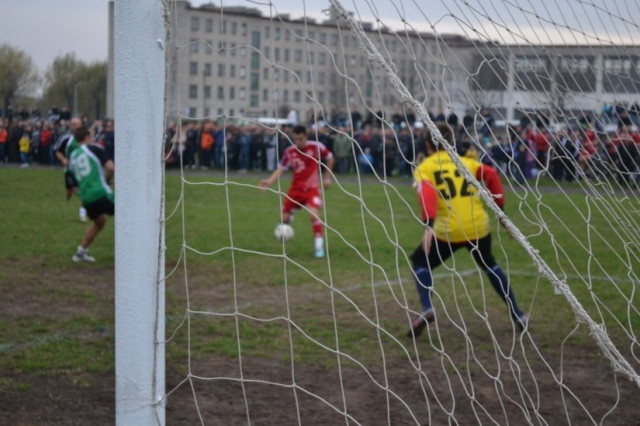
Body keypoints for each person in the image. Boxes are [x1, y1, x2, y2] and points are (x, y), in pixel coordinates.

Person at [407, 122, 528, 338]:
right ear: (452, 141)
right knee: (490, 265)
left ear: (427, 144)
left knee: (420, 262)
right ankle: (517, 314)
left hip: (448, 231)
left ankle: (427, 308)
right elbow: (492, 175)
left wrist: (428, 225)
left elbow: (427, 192)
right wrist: (500, 212)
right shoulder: (466, 162)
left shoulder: (425, 167)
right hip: (478, 226)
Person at [258, 125, 334, 258]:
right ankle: (288, 219)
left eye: (300, 139)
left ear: (306, 136)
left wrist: (327, 177)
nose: (297, 142)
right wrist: (269, 181)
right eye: (295, 139)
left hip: (312, 189)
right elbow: (281, 168)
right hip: (295, 189)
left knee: (313, 215)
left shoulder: (316, 146)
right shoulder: (290, 151)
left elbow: (330, 157)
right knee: (283, 219)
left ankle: (319, 247)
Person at [67, 125, 115, 263]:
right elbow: (111, 168)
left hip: (86, 198)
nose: (93, 138)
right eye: (92, 136)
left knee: (100, 222)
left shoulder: (73, 156)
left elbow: (71, 179)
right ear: (86, 137)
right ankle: (136, 251)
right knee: (129, 212)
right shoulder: (94, 149)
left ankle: (80, 252)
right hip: (100, 193)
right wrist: (108, 179)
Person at [53, 117, 87, 222]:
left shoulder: (87, 139)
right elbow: (57, 151)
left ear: (81, 125)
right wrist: (63, 159)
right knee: (70, 190)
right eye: (73, 124)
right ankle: (68, 195)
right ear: (70, 126)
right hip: (70, 170)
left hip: (84, 170)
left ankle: (82, 213)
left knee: (83, 191)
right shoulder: (66, 139)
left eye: (78, 124)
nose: (76, 127)